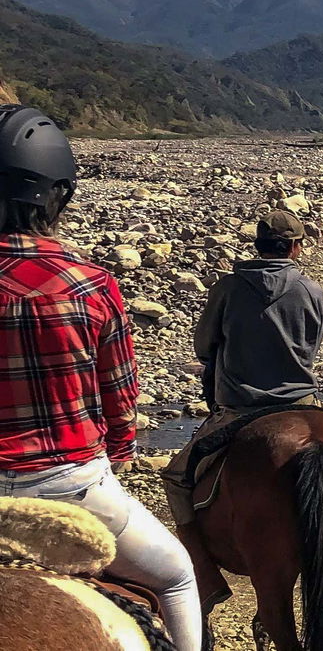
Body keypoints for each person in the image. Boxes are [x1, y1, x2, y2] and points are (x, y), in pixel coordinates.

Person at [0, 104, 202, 651]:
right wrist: (118, 453)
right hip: (68, 486)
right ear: (55, 193)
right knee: (176, 576)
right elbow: (120, 394)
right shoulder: (89, 284)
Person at [161, 208, 323, 606]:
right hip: (302, 403)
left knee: (176, 480)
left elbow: (204, 347)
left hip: (239, 408)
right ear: (295, 248)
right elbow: (312, 345)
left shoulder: (227, 288)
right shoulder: (311, 290)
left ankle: (205, 574)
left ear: (258, 245)